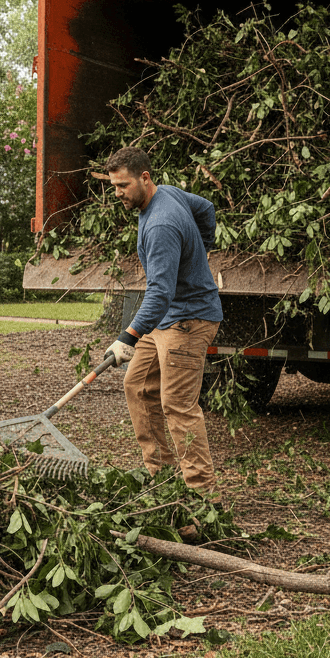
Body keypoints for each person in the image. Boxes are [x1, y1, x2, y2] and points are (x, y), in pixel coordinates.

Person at [102, 147, 223, 491]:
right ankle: (163, 481)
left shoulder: (160, 225)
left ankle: (202, 497)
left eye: (123, 185)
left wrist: (128, 337)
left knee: (178, 407)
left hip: (189, 319)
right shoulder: (166, 193)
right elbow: (206, 208)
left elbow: (159, 293)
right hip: (168, 317)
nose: (118, 193)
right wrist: (201, 247)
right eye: (113, 186)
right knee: (137, 385)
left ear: (145, 178)